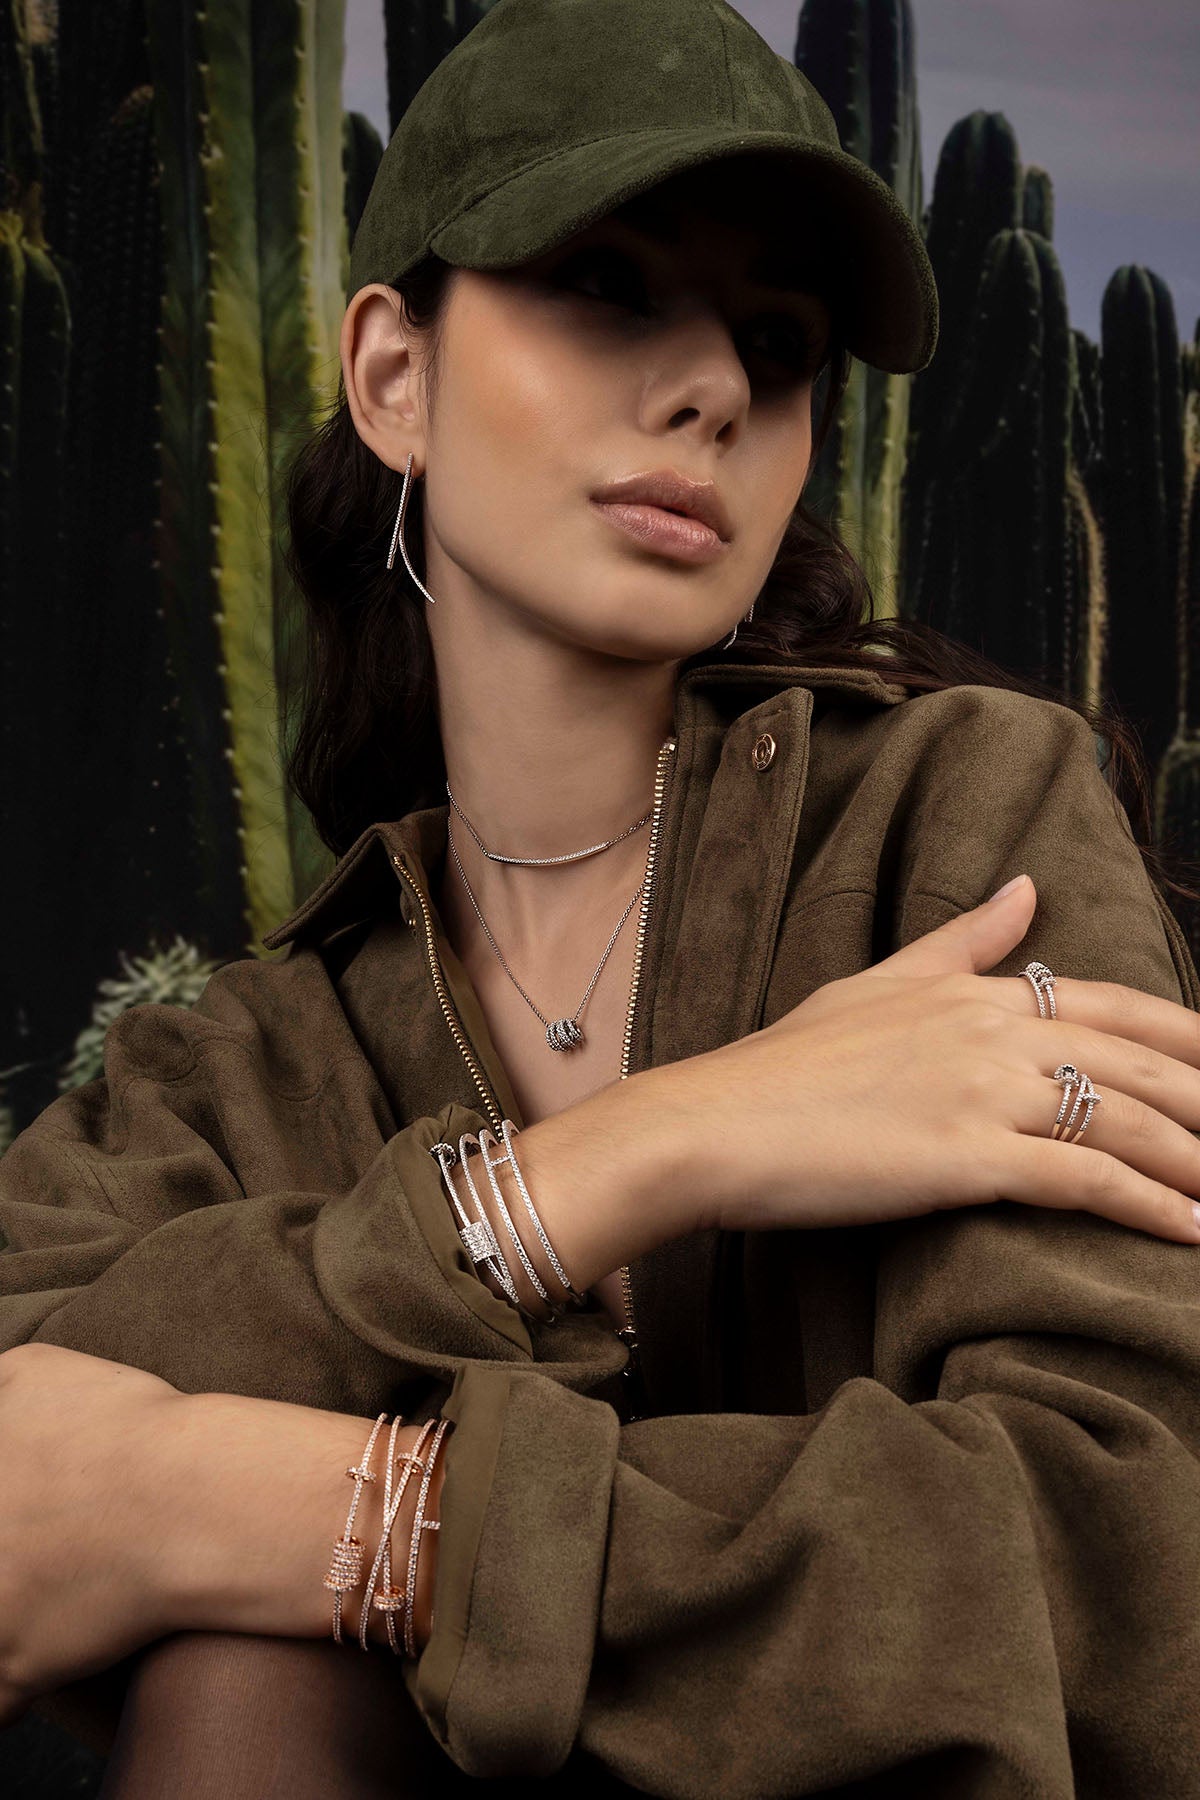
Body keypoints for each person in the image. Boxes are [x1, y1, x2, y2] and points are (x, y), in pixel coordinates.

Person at [4, 0, 1200, 1793]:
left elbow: (1128, 1564)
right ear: (393, 375)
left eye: (778, 342)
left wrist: (365, 1525)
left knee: (252, 1617)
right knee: (246, 1679)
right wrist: (631, 1162)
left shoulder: (967, 829)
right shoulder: (238, 1060)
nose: (714, 380)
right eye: (612, 288)